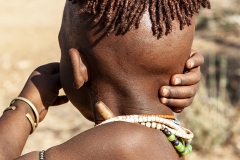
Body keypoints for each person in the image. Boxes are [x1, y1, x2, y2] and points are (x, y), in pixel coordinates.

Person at [0, 0, 209, 159]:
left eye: (61, 48)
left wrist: (25, 108)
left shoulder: (125, 142)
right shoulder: (165, 142)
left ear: (77, 67)